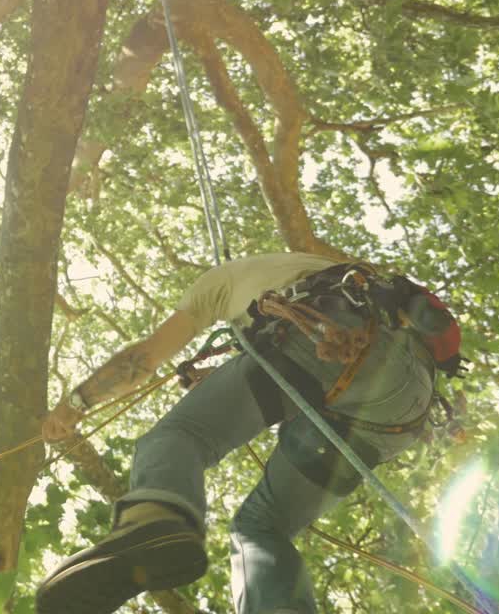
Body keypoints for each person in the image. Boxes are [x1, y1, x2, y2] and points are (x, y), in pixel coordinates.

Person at [35, 252, 456, 614]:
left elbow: (145, 359)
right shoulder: (309, 267)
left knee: (179, 436)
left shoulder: (218, 284)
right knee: (260, 527)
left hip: (327, 336)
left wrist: (74, 405)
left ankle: (154, 522)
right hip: (402, 409)